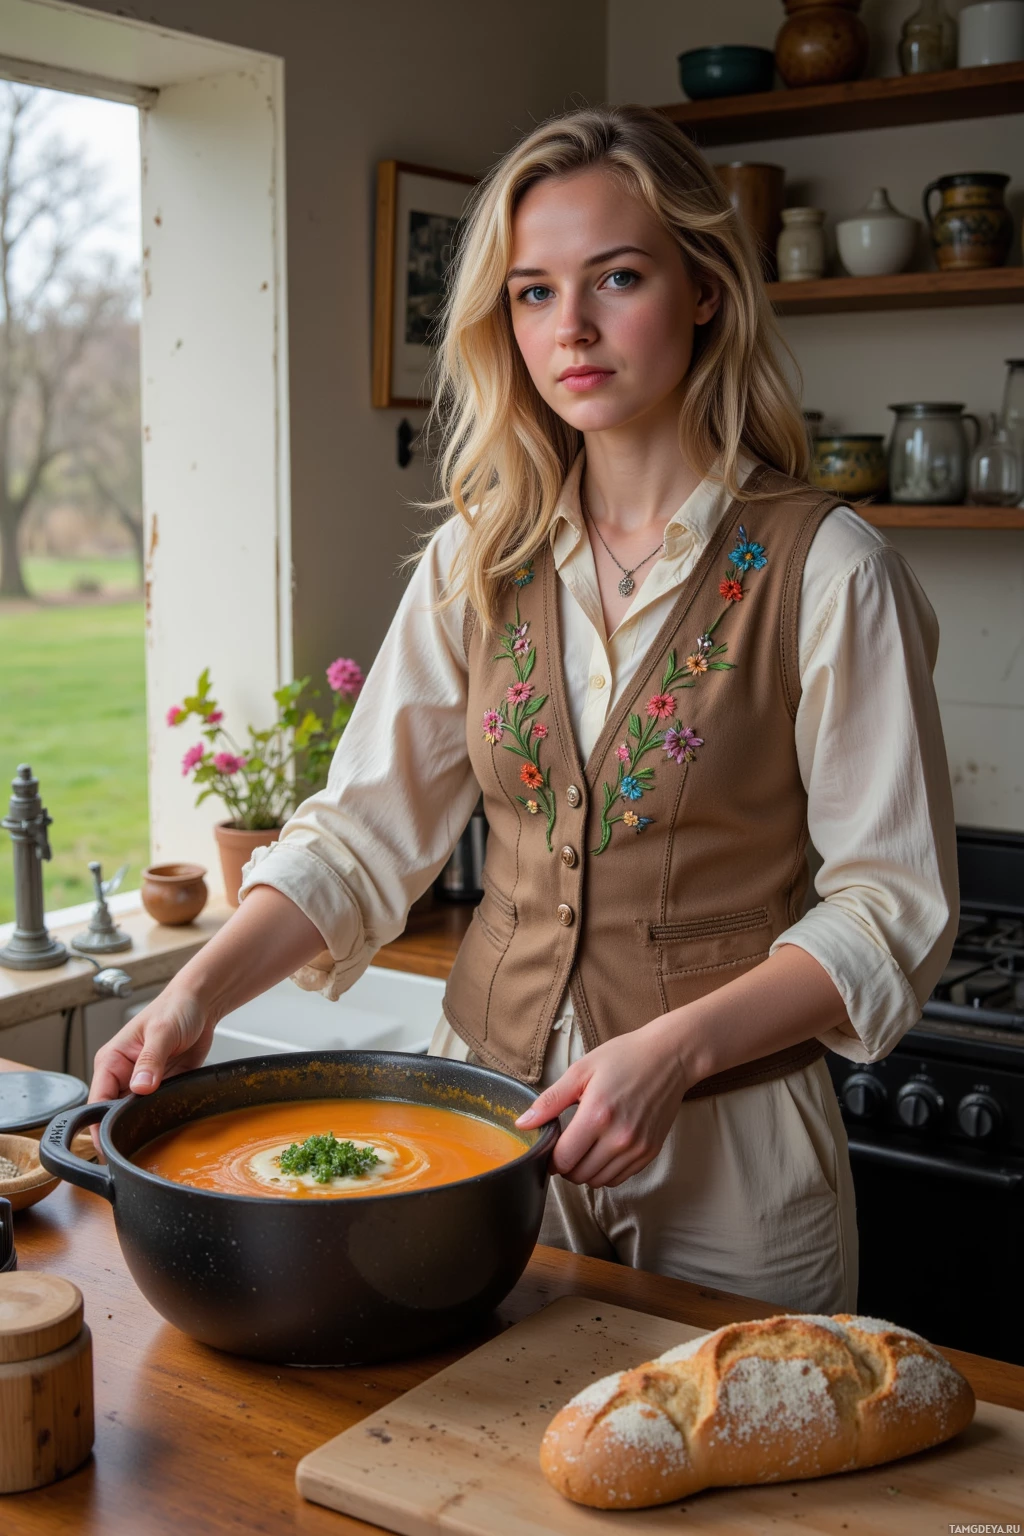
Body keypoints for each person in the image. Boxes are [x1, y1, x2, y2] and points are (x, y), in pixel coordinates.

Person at [91, 105, 957, 1315]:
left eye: (616, 278)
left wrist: (675, 1051)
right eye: (533, 294)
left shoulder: (829, 568)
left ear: (704, 289)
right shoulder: (476, 563)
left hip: (731, 1150)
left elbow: (891, 906)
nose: (573, 330)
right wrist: (192, 995)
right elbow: (357, 838)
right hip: (479, 1139)